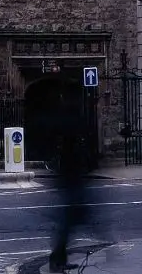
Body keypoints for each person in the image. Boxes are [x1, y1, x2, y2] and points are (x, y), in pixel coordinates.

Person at [48, 87, 96, 271]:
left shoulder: (67, 118)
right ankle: (56, 260)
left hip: (72, 176)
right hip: (71, 177)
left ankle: (59, 259)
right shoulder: (69, 120)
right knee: (68, 222)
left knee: (69, 222)